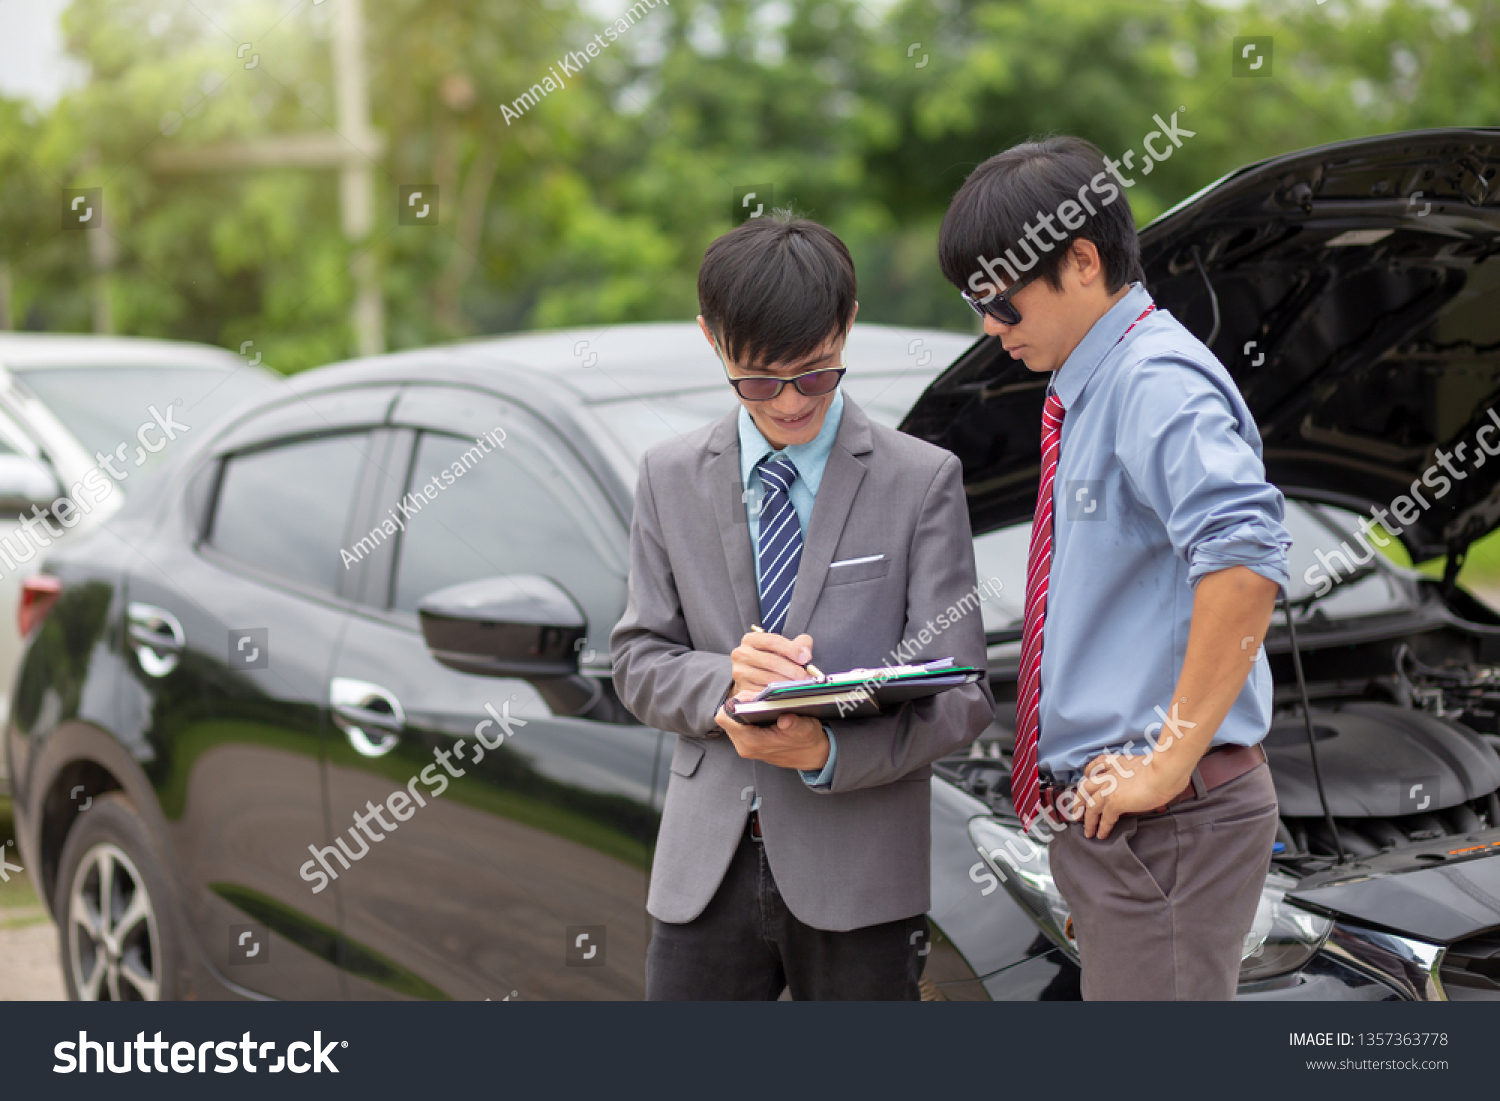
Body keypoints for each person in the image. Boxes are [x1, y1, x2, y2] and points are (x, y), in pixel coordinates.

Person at [938, 136, 1292, 1000]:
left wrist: (1168, 758)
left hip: (1171, 824)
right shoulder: (1088, 386)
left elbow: (1245, 559)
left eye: (1000, 301)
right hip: (1135, 828)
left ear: (1083, 260)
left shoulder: (1152, 380)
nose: (989, 327)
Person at [611, 210, 994, 1000]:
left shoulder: (920, 479)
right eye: (758, 380)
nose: (789, 403)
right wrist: (727, 684)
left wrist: (826, 754)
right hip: (702, 873)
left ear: (847, 325)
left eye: (817, 373)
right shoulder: (667, 475)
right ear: (710, 338)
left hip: (861, 877)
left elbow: (963, 695)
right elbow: (638, 660)